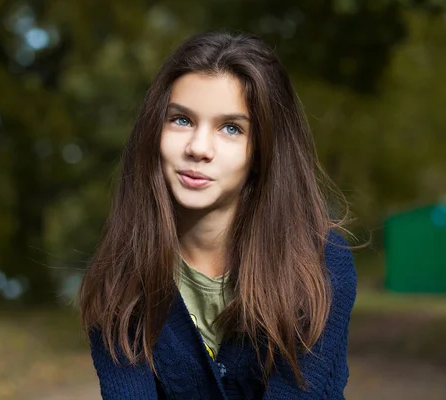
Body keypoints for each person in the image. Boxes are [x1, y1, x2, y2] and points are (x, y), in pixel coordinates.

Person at [78, 31, 357, 399]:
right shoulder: (121, 278)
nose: (198, 148)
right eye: (181, 120)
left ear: (263, 151)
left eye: (231, 128)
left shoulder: (321, 267)